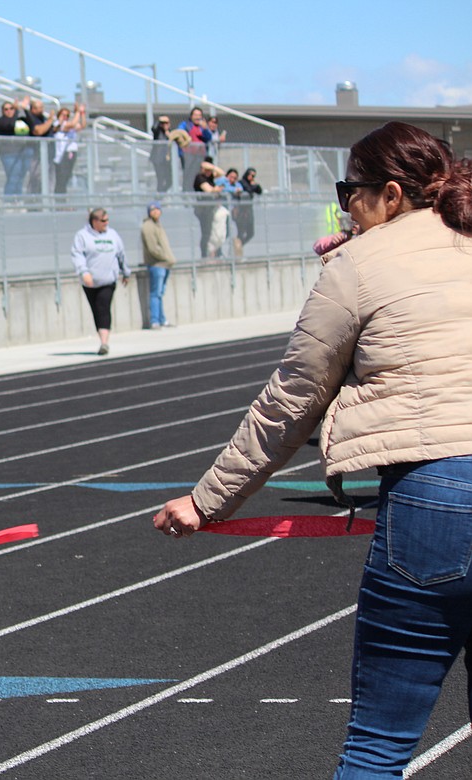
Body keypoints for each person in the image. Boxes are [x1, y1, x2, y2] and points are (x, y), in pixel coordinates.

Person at [152, 121, 472, 778]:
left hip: (438, 496)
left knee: (378, 746)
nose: (342, 204)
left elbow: (291, 402)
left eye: (348, 190)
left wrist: (205, 501)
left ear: (388, 193)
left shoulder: (358, 266)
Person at [71, 207, 130, 356]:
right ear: (94, 221)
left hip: (108, 280)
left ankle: (104, 343)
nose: (106, 223)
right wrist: (84, 272)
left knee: (103, 307)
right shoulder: (82, 236)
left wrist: (125, 272)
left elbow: (121, 254)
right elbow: (77, 255)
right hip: (90, 281)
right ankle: (102, 337)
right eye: (103, 220)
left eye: (107, 220)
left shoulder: (113, 235)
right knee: (96, 310)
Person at [139, 201, 176, 329]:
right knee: (155, 293)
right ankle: (155, 320)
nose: (156, 212)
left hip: (164, 264)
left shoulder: (158, 225)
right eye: (153, 210)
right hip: (157, 264)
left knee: (160, 293)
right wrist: (167, 257)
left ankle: (162, 319)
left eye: (158, 209)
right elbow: (153, 248)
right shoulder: (148, 226)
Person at [0, 100, 33, 198]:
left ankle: (17, 199)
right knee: (13, 177)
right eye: (6, 109)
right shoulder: (0, 122)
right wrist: (16, 110)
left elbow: (32, 124)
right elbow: (11, 126)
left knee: (20, 177)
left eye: (11, 108)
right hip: (9, 154)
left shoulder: (20, 120)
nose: (9, 111)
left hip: (23, 153)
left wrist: (25, 109)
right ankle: (8, 201)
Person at [193, 158, 225, 258]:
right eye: (206, 170)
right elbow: (209, 191)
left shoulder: (210, 177)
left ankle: (216, 252)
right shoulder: (200, 178)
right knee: (206, 232)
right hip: (203, 209)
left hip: (212, 208)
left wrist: (212, 167)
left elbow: (222, 173)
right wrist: (217, 189)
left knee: (218, 230)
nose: (209, 172)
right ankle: (204, 255)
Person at [51, 103, 86, 195]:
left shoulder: (69, 125)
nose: (65, 117)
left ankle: (62, 200)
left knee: (66, 177)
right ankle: (60, 201)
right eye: (63, 115)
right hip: (61, 155)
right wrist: (77, 112)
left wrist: (82, 113)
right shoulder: (58, 124)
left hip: (70, 152)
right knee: (61, 178)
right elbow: (72, 124)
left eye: (67, 115)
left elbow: (82, 125)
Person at [236, 167, 263, 250]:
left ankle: (239, 246)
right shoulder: (241, 182)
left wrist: (255, 185)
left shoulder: (252, 184)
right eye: (251, 175)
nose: (252, 177)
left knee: (250, 233)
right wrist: (253, 186)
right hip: (241, 210)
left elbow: (259, 191)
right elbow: (248, 190)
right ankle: (236, 250)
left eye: (253, 176)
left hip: (249, 209)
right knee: (241, 231)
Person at [149, 116, 174, 192]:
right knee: (161, 179)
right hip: (158, 159)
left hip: (167, 160)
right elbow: (153, 128)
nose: (165, 125)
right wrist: (159, 120)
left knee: (170, 181)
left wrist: (168, 134)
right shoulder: (157, 131)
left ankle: (161, 193)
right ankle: (160, 195)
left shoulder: (170, 133)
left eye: (167, 123)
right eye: (163, 123)